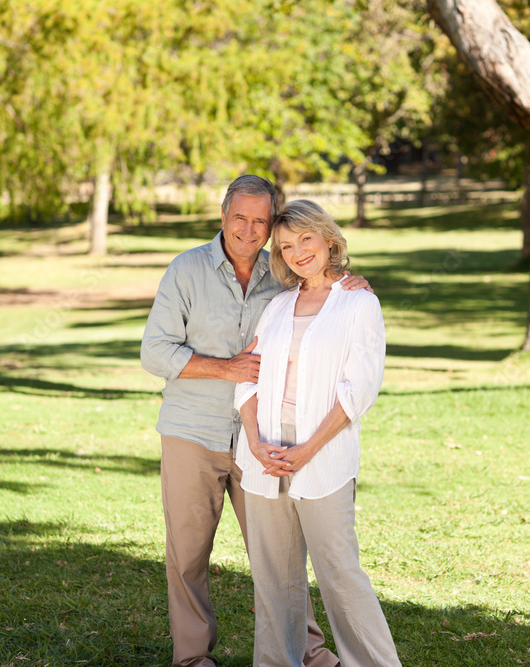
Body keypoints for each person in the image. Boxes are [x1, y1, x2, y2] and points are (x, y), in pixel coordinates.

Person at [141, 175, 367, 667]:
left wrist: (351, 281)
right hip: (192, 432)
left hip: (262, 441)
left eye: (259, 220)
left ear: (270, 226)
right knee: (189, 553)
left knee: (279, 555)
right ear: (223, 216)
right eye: (239, 217)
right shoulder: (185, 271)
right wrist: (227, 368)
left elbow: (325, 293)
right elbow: (154, 352)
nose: (248, 228)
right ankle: (193, 658)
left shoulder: (283, 272)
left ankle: (307, 653)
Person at [236, 199, 400, 667]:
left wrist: (307, 449)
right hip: (264, 457)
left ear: (329, 239)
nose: (297, 252)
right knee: (274, 581)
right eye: (286, 245)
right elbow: (248, 374)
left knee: (340, 575)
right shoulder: (279, 306)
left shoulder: (359, 303)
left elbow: (358, 389)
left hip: (322, 459)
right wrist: (253, 441)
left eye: (306, 239)